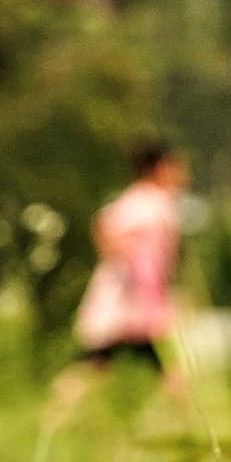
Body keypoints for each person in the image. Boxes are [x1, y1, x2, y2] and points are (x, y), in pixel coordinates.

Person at [63, 139, 189, 384]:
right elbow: (106, 230)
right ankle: (190, 417)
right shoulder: (149, 201)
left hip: (134, 305)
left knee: (98, 363)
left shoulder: (148, 201)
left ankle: (54, 417)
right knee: (96, 362)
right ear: (160, 167)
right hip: (127, 302)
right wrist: (135, 261)